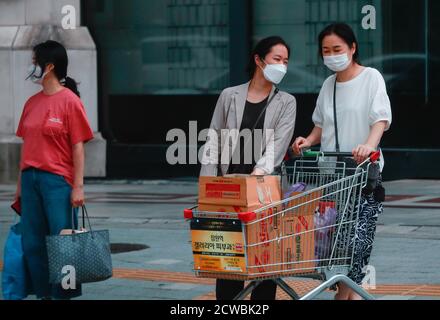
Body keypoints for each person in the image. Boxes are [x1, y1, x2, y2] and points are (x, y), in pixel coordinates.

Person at [292, 23, 392, 300]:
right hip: (333, 176)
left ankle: (345, 295)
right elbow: (321, 125)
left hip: (362, 174)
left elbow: (380, 119)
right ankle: (352, 294)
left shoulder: (371, 78)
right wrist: (308, 141)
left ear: (352, 48)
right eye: (326, 50)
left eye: (337, 49)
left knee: (356, 243)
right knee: (335, 245)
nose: (332, 55)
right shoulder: (329, 84)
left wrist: (369, 146)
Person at [200, 36, 297, 300]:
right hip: (227, 189)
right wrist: (207, 187)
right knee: (229, 259)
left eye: (286, 61)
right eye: (277, 59)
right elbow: (213, 139)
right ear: (258, 59)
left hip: (263, 190)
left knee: (265, 258)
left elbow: (277, 146)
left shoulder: (287, 102)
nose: (282, 66)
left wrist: (256, 177)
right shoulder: (229, 95)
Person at [14, 40, 94, 300]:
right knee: (33, 244)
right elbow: (26, 146)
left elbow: (78, 148)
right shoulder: (31, 103)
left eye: (35, 61)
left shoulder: (70, 102)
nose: (32, 65)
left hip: (57, 182)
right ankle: (42, 295)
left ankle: (61, 295)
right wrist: (19, 187)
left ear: (49, 66)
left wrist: (78, 186)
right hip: (30, 180)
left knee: (61, 245)